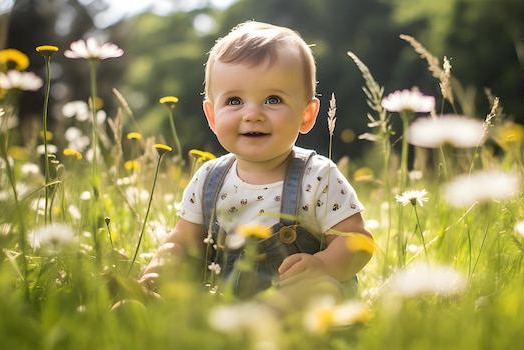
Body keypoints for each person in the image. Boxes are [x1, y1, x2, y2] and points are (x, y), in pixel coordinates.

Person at [139, 20, 373, 306]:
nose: (252, 114)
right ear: (212, 116)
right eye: (235, 101)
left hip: (292, 302)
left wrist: (323, 266)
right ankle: (142, 306)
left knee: (321, 291)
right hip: (220, 301)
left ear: (306, 115)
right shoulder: (209, 178)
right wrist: (159, 269)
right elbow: (182, 240)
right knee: (175, 293)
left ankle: (266, 321)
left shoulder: (318, 176)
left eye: (273, 99)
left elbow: (357, 241)